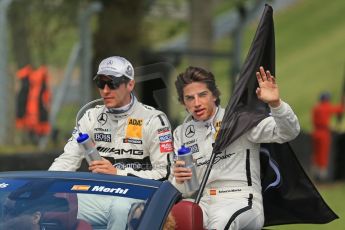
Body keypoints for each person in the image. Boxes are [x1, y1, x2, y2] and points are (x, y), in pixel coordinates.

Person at [49, 56, 173, 229]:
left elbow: (165, 174)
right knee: (52, 206)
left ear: (130, 84)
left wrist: (117, 173)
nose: (105, 90)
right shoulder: (91, 117)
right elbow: (67, 159)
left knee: (119, 208)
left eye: (112, 83)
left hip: (139, 195)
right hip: (97, 193)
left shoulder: (154, 119)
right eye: (101, 83)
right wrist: (45, 188)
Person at [171, 66, 300, 230]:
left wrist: (276, 104)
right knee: (170, 217)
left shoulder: (240, 120)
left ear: (215, 95)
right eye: (190, 98)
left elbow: (289, 132)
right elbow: (183, 191)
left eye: (202, 95)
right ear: (183, 102)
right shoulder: (180, 133)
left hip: (240, 199)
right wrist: (179, 180)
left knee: (220, 224)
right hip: (203, 200)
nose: (197, 103)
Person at [311, 92, 344, 181]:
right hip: (324, 133)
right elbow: (340, 109)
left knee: (316, 154)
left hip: (315, 132)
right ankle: (322, 176)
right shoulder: (326, 106)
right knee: (323, 153)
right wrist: (343, 101)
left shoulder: (316, 107)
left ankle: (315, 172)